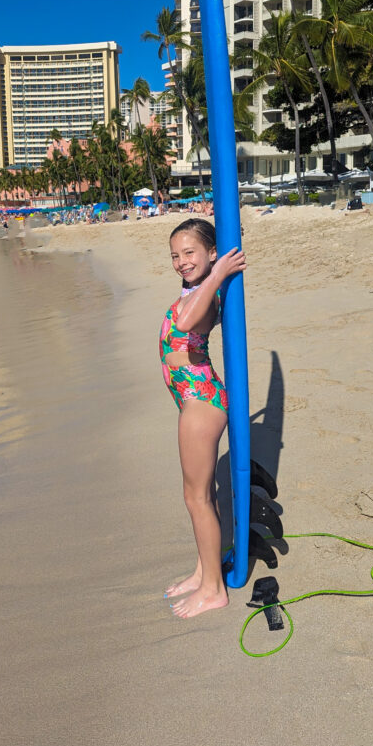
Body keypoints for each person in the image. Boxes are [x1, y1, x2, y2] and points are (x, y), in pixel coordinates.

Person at [160, 218, 246, 618]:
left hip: (201, 401)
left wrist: (220, 272)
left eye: (189, 252)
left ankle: (214, 589)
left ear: (212, 252)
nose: (181, 261)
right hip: (192, 400)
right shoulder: (197, 288)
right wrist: (206, 274)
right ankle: (203, 570)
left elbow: (187, 322)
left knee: (196, 498)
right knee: (199, 496)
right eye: (175, 255)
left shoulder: (208, 294)